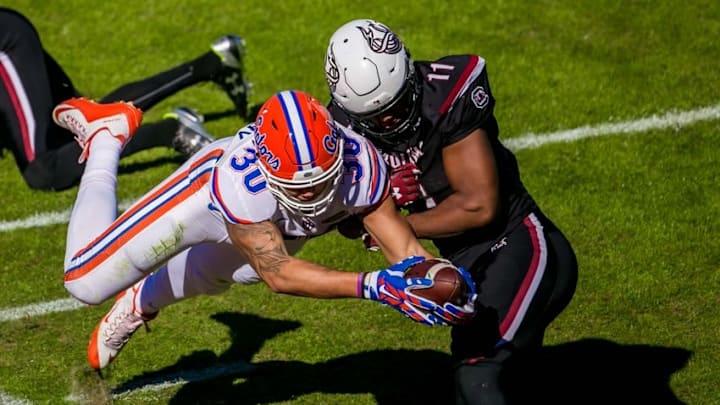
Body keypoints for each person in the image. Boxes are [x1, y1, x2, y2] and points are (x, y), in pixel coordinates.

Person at [51, 91, 477, 371]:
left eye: (322, 180)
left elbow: (402, 247)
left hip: (273, 219)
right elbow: (280, 273)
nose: (312, 194)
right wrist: (373, 286)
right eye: (301, 186)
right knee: (84, 281)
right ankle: (107, 135)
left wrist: (432, 280)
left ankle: (141, 301)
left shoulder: (360, 163)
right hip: (203, 197)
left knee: (228, 273)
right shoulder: (243, 182)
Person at [325, 19, 579, 405]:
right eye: (374, 119)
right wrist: (374, 204)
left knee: (478, 373)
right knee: (496, 385)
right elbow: (346, 222)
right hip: (468, 266)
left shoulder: (445, 94)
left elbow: (479, 205)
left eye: (394, 108)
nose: (388, 122)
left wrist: (396, 223)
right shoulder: (340, 128)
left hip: (519, 245)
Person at [0, 7, 250, 191]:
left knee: (43, 170)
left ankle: (171, 131)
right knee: (75, 127)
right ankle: (213, 64)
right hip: (10, 30)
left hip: (6, 42)